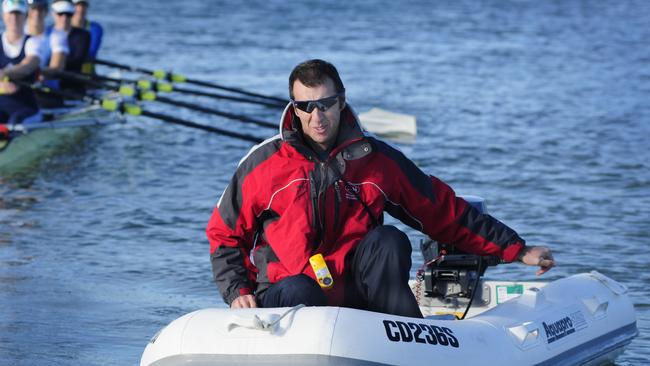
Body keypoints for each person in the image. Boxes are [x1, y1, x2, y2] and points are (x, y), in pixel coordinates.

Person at [206, 59, 555, 318]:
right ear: (294, 109)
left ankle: (412, 344)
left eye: (326, 104)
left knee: (389, 241)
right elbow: (224, 235)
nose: (318, 116)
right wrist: (238, 291)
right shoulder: (264, 163)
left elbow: (441, 211)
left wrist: (517, 249)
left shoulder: (377, 160)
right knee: (300, 287)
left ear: (341, 101)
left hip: (358, 298)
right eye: (306, 107)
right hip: (290, 298)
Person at [0, 0, 41, 124]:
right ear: (3, 16)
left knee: (15, 121)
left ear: (25, 16)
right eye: (10, 14)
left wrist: (5, 73)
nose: (14, 18)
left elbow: (28, 65)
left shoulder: (33, 42)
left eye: (18, 14)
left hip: (27, 109)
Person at [71, 0, 101, 74]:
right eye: (77, 5)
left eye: (84, 5)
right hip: (64, 70)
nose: (81, 9)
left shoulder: (95, 28)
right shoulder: (62, 26)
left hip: (86, 73)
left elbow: (91, 53)